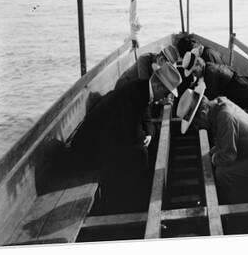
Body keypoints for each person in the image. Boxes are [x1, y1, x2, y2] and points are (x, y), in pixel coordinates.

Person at [71, 63, 182, 214]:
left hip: (106, 137)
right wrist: (144, 138)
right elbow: (131, 135)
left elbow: (146, 119)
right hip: (87, 150)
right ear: (158, 86)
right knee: (139, 156)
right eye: (166, 93)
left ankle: (137, 198)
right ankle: (132, 206)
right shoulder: (135, 95)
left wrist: (149, 133)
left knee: (141, 152)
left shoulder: (142, 88)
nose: (166, 98)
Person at [176, 88, 248, 204]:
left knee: (223, 173)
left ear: (202, 114)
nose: (197, 128)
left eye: (196, 124)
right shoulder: (218, 105)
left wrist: (213, 159)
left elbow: (228, 157)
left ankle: (236, 203)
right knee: (213, 155)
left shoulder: (225, 117)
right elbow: (223, 145)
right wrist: (213, 155)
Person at [181, 50, 248, 108]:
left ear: (198, 65)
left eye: (194, 72)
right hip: (242, 84)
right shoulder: (208, 66)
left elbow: (211, 96)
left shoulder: (210, 74)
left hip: (242, 93)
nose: (194, 75)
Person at [115, 44, 181, 89]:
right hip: (123, 87)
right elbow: (144, 86)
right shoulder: (144, 60)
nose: (167, 69)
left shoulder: (158, 64)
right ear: (161, 59)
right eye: (167, 66)